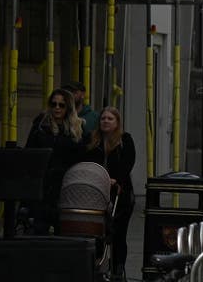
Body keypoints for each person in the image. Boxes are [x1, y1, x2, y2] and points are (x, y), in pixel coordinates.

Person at [79, 107, 135, 277]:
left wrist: (115, 179)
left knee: (118, 232)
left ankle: (118, 267)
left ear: (117, 122)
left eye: (110, 119)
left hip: (118, 192)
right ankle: (97, 264)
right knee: (96, 231)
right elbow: (86, 160)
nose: (105, 121)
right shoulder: (91, 139)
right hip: (95, 191)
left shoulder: (125, 140)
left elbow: (128, 162)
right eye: (103, 118)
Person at [24, 88, 86, 234]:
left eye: (61, 105)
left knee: (63, 229)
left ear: (69, 107)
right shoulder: (41, 125)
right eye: (54, 104)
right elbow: (30, 151)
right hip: (43, 185)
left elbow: (82, 156)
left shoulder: (77, 128)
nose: (57, 108)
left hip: (67, 185)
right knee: (39, 228)